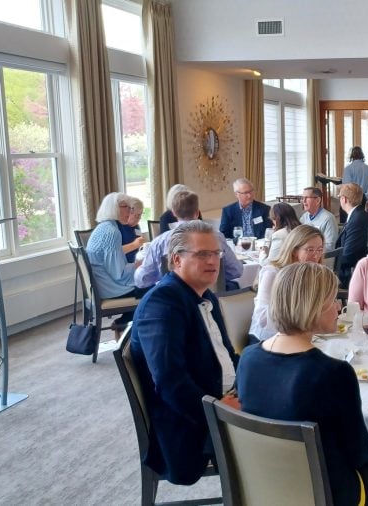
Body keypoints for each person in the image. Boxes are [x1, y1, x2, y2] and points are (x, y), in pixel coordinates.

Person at [237, 262, 368, 506]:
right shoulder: (332, 372)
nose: (339, 307)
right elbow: (357, 453)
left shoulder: (248, 358)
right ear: (313, 307)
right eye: (333, 300)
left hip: (265, 483)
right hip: (327, 494)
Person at [129, 220, 239, 486]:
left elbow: (224, 355)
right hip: (190, 426)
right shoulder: (162, 303)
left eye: (216, 253)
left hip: (223, 398)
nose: (213, 261)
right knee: (292, 431)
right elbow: (170, 382)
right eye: (202, 254)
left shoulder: (204, 296)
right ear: (176, 260)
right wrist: (218, 411)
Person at [135, 190, 243, 291]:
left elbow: (141, 281)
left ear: (174, 213)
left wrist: (153, 274)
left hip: (172, 301)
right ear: (197, 212)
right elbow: (236, 271)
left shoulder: (159, 242)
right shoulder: (215, 237)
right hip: (209, 298)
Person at [85, 192, 148, 334]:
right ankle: (124, 326)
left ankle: (125, 326)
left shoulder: (103, 227)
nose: (129, 212)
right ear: (114, 208)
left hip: (102, 285)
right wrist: (138, 265)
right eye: (127, 207)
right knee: (157, 291)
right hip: (111, 288)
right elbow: (119, 274)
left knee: (153, 286)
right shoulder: (112, 232)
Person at [249, 225, 325, 341]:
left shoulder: (314, 274)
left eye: (319, 250)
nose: (316, 255)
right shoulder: (272, 273)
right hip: (267, 340)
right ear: (294, 250)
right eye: (310, 250)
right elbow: (263, 317)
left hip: (301, 337)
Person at [336, 183, 368, 285]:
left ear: (344, 199)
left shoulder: (357, 219)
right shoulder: (359, 214)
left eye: (339, 197)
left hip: (355, 273)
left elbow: (349, 254)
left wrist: (332, 265)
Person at [119, 196, 146, 263]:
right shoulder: (118, 227)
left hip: (138, 261)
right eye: (136, 215)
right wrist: (134, 244)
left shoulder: (136, 226)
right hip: (124, 265)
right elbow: (115, 252)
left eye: (140, 215)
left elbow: (140, 246)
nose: (139, 219)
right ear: (129, 212)